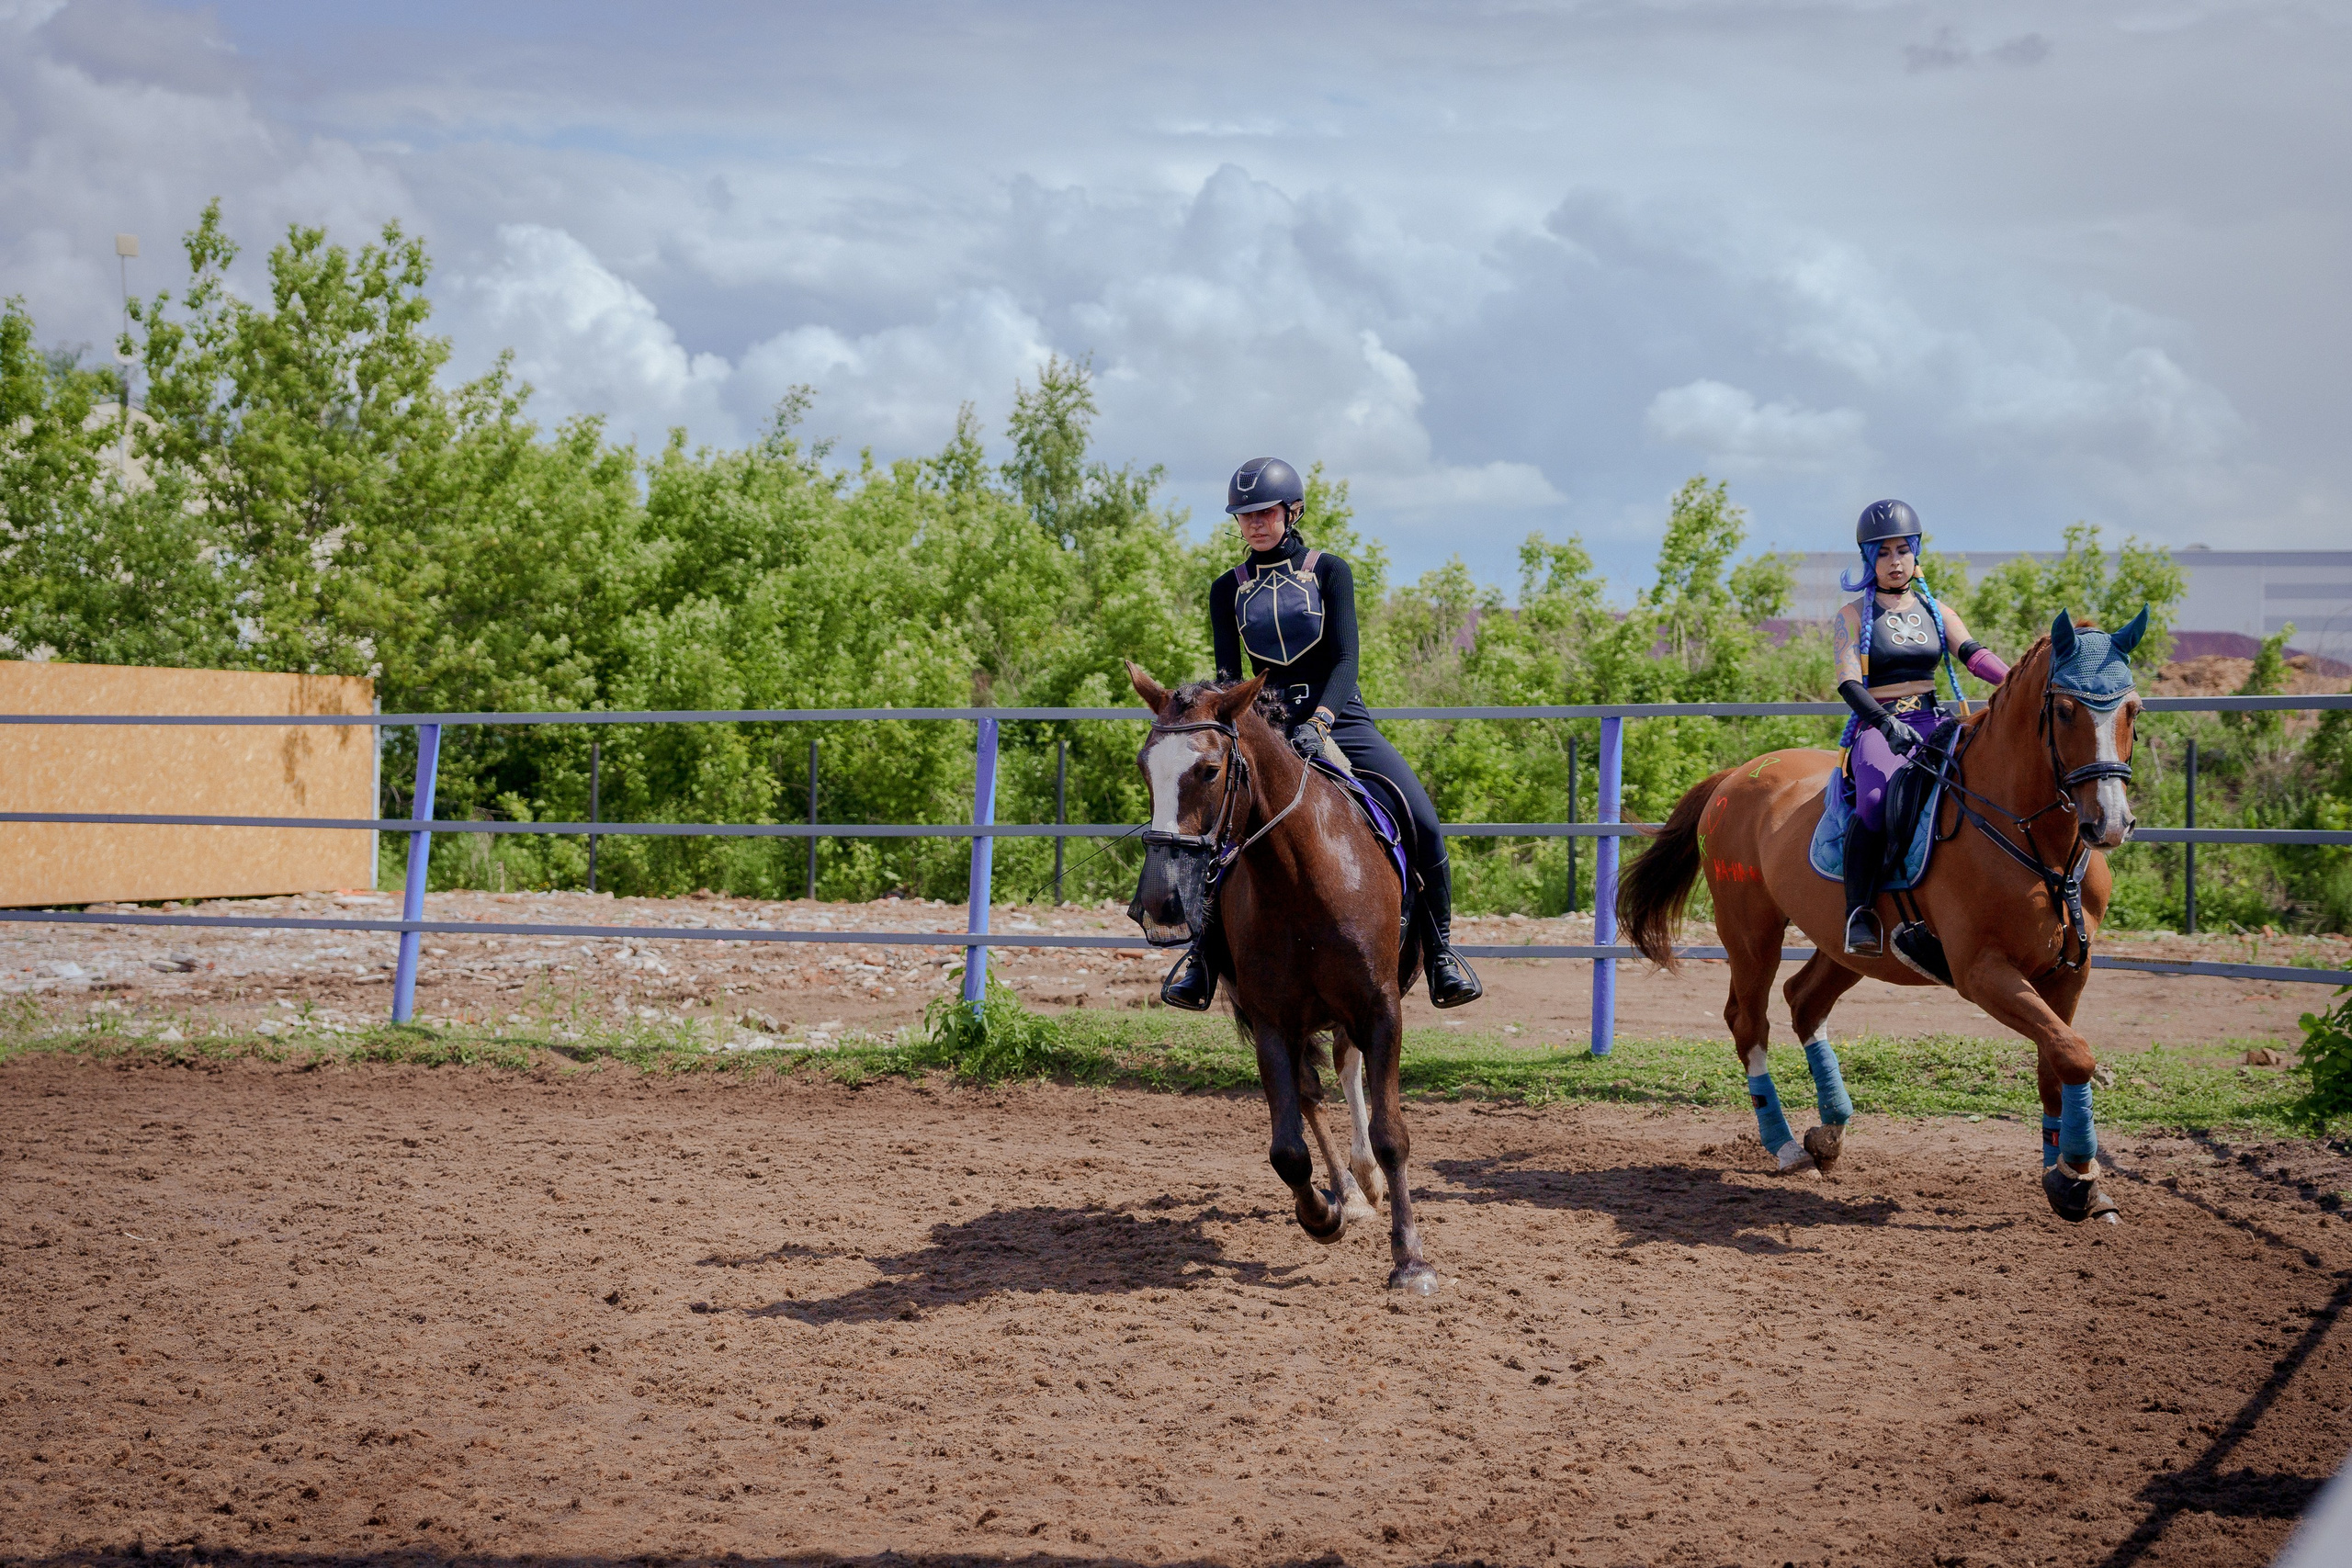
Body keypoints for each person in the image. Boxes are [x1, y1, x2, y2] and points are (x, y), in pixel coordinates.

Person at [1159, 457, 1484, 1011]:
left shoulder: (1330, 571)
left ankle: (1441, 956)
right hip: (1263, 730)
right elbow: (1227, 678)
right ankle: (1202, 960)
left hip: (1341, 718)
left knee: (1421, 819)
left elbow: (1347, 660)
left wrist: (1321, 722)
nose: (1255, 523)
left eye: (1265, 512)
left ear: (1292, 511)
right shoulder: (1226, 589)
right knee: (1213, 833)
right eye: (1245, 515)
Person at [1833, 498, 2011, 955]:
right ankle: (1860, 912)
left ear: (1916, 553)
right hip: (1881, 725)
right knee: (1873, 804)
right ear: (1869, 559)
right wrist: (1884, 724)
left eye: (1902, 550)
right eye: (1884, 552)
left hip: (1936, 720)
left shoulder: (1939, 611)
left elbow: (1975, 656)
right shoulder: (1852, 616)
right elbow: (1849, 683)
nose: (1895, 562)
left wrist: (2021, 680)